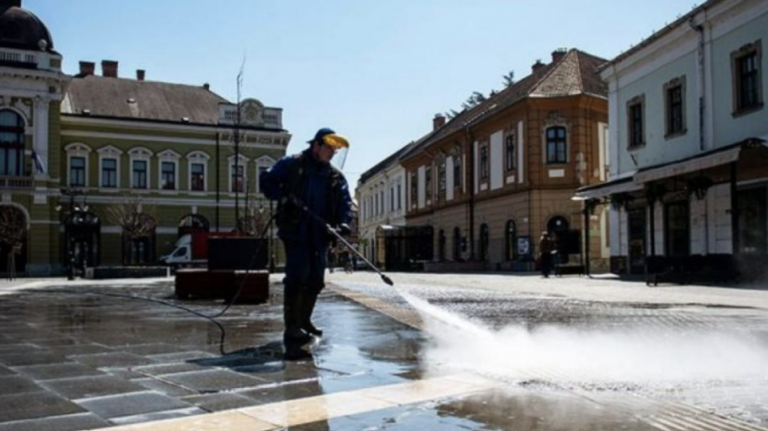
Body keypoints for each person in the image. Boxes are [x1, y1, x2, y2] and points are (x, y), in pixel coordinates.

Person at [260, 127, 353, 360]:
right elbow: (267, 180)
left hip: (319, 233)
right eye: (329, 148)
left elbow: (345, 203)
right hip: (296, 229)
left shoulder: (334, 176)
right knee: (298, 275)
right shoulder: (293, 165)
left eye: (335, 150)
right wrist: (283, 198)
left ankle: (304, 320)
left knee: (316, 279)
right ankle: (292, 326)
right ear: (317, 146)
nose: (332, 153)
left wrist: (343, 225)